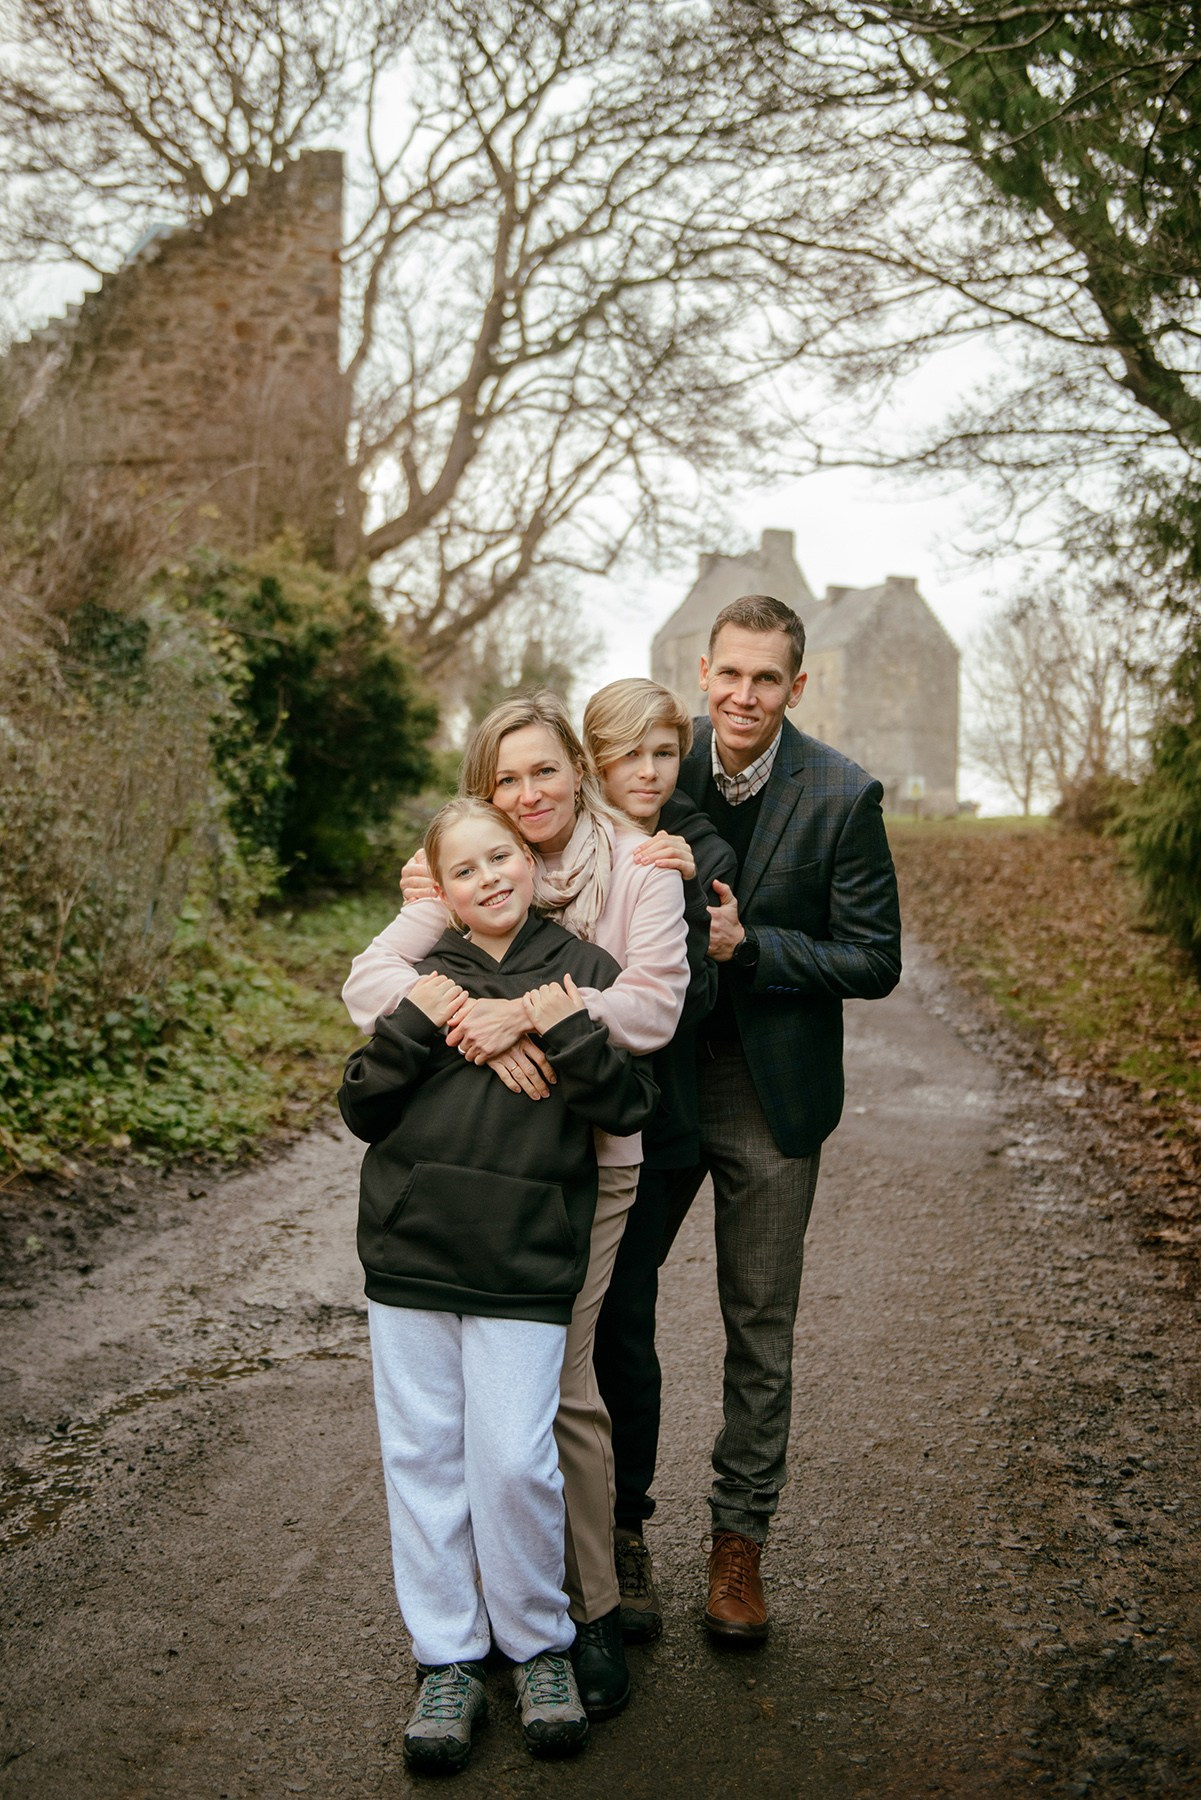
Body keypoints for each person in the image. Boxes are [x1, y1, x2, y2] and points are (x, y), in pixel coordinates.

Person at [342, 694, 689, 1717]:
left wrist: (541, 1023)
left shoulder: (632, 872)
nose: (526, 796)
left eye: (543, 773)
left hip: (559, 1196)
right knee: (429, 1447)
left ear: (575, 773)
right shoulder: (439, 926)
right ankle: (451, 1653)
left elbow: (647, 1023)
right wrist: (434, 1011)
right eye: (505, 781)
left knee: (534, 1424)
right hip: (423, 1232)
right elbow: (369, 1014)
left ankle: (569, 1621)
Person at [667, 593, 902, 1643]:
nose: (744, 695)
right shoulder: (654, 770)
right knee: (612, 1312)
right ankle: (613, 1539)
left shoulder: (843, 795)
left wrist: (753, 947)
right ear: (700, 670)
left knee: (756, 1329)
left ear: (795, 687)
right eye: (729, 673)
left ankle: (737, 1543)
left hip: (772, 1093)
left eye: (767, 679)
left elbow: (873, 959)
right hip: (656, 1083)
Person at [582, 678, 736, 1644]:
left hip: (658, 1127)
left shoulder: (697, 850)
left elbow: (700, 1005)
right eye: (630, 754)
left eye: (665, 754)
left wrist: (681, 893)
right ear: (595, 757)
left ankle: (622, 1529)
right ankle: (540, 1531)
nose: (647, 773)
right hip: (548, 1124)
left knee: (621, 1318)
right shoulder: (549, 839)